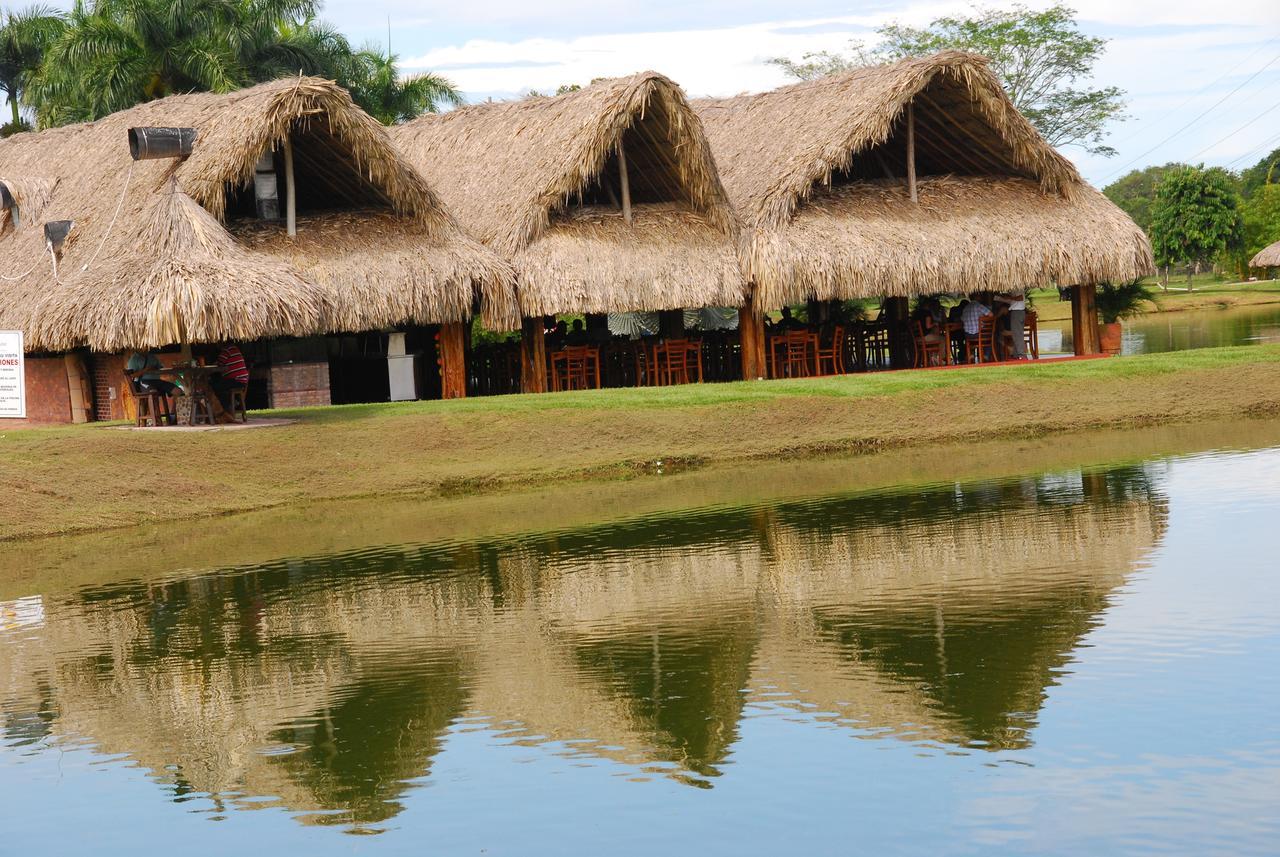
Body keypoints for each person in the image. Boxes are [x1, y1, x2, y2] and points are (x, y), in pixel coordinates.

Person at [211, 343, 250, 412]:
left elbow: (219, 363)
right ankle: (232, 403)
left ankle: (227, 407)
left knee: (215, 386)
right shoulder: (234, 348)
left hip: (236, 380)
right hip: (241, 380)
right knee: (219, 385)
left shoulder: (227, 351)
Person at [995, 291, 1028, 359]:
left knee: (1017, 334)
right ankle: (1016, 354)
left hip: (1016, 312)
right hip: (1019, 312)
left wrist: (1009, 297)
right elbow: (1016, 300)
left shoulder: (1017, 286)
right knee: (1017, 334)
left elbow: (1020, 297)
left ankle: (1021, 355)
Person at [961, 294, 993, 358]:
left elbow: (962, 319)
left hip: (968, 336)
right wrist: (983, 317)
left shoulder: (965, 308)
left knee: (974, 337)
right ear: (976, 297)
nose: (981, 297)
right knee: (992, 336)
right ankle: (985, 355)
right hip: (979, 334)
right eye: (979, 296)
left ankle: (971, 354)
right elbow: (991, 315)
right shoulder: (978, 306)